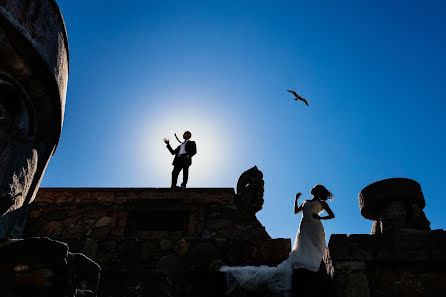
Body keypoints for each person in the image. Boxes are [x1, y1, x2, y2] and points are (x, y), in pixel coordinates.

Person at [220, 184, 335, 296]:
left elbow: (331, 215)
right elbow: (296, 211)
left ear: (317, 191)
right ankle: (303, 264)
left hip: (315, 227)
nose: (312, 188)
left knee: (314, 246)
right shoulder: (305, 201)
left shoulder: (321, 203)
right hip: (304, 226)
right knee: (303, 245)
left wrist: (320, 217)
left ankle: (313, 266)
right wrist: (296, 199)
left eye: (314, 188)